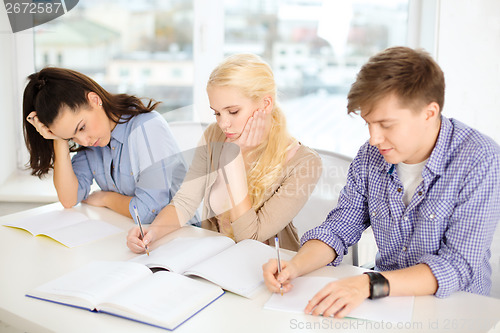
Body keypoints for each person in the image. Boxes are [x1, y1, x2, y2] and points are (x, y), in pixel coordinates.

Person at [263, 46, 500, 318]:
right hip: (384, 303)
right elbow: (339, 228)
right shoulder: (370, 156)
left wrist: (368, 283)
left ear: (429, 113)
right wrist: (295, 266)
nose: (374, 138)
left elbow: (457, 265)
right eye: (368, 124)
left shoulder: (481, 160)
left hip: (456, 308)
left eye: (386, 125)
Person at [127, 53, 322, 252]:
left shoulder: (304, 163)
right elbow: (185, 202)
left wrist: (234, 158)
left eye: (233, 111)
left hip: (268, 268)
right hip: (218, 260)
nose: (223, 123)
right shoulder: (214, 135)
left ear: (266, 104)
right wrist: (151, 233)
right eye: (217, 113)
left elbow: (250, 237)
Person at [23, 67, 194, 225]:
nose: (84, 141)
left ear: (94, 100)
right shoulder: (94, 141)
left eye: (82, 127)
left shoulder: (146, 127)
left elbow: (148, 211)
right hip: (140, 236)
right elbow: (69, 198)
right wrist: (59, 139)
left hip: (187, 235)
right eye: (72, 137)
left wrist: (106, 199)